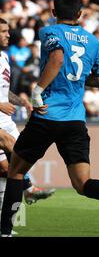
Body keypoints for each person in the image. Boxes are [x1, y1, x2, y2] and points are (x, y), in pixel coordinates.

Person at [0, 0, 99, 237]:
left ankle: (5, 232)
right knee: (83, 183)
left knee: (16, 171)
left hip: (47, 115)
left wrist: (38, 91)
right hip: (75, 120)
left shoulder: (49, 32)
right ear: (80, 14)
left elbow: (57, 58)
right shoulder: (92, 41)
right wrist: (77, 77)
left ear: (53, 13)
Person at [0, 18, 55, 219]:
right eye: (3, 31)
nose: (8, 35)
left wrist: (23, 102)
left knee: (9, 172)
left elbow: (4, 92)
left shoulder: (4, 57)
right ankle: (29, 188)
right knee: (12, 155)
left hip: (5, 120)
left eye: (7, 31)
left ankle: (5, 226)